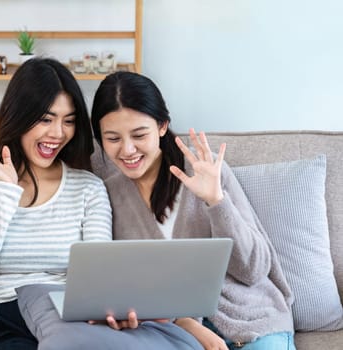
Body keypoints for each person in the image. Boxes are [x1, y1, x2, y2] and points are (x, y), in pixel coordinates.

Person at [90, 71, 296, 350]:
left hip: (251, 320)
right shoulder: (108, 193)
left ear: (162, 126)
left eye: (139, 135)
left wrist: (216, 202)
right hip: (173, 330)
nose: (127, 150)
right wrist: (184, 322)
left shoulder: (205, 169)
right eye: (113, 138)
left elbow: (254, 270)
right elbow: (128, 286)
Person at [0, 57, 112, 350]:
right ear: (18, 115)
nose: (58, 133)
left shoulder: (89, 188)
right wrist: (6, 194)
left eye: (68, 120)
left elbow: (97, 281)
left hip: (62, 317)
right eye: (46, 119)